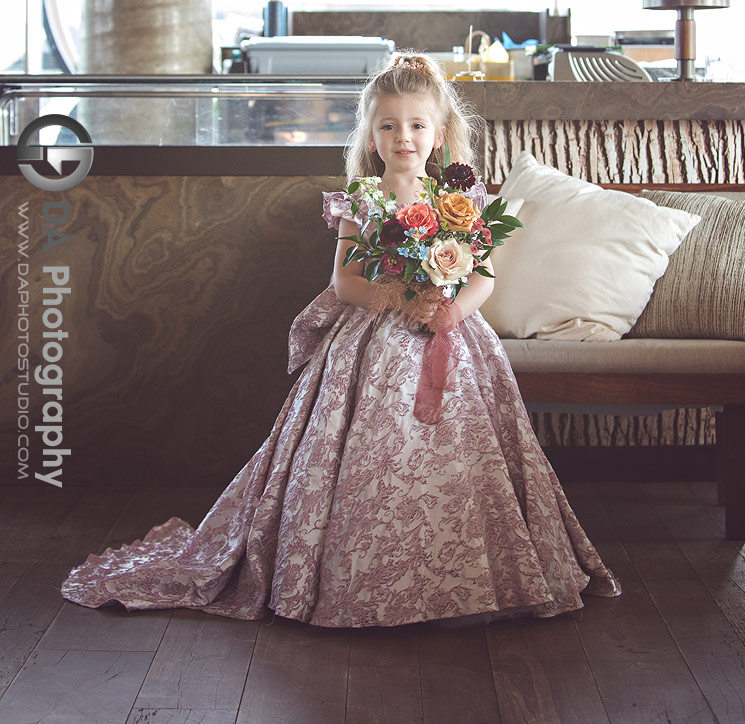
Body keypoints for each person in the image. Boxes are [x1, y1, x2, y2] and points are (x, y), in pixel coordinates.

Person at [60, 51, 620, 627]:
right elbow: (345, 281)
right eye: (388, 125)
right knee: (383, 409)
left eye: (417, 124)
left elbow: (483, 276)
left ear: (442, 132)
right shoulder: (363, 199)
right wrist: (402, 300)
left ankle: (466, 578)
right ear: (372, 136)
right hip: (376, 334)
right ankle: (358, 575)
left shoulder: (460, 202)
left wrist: (452, 310)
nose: (404, 136)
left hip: (451, 333)